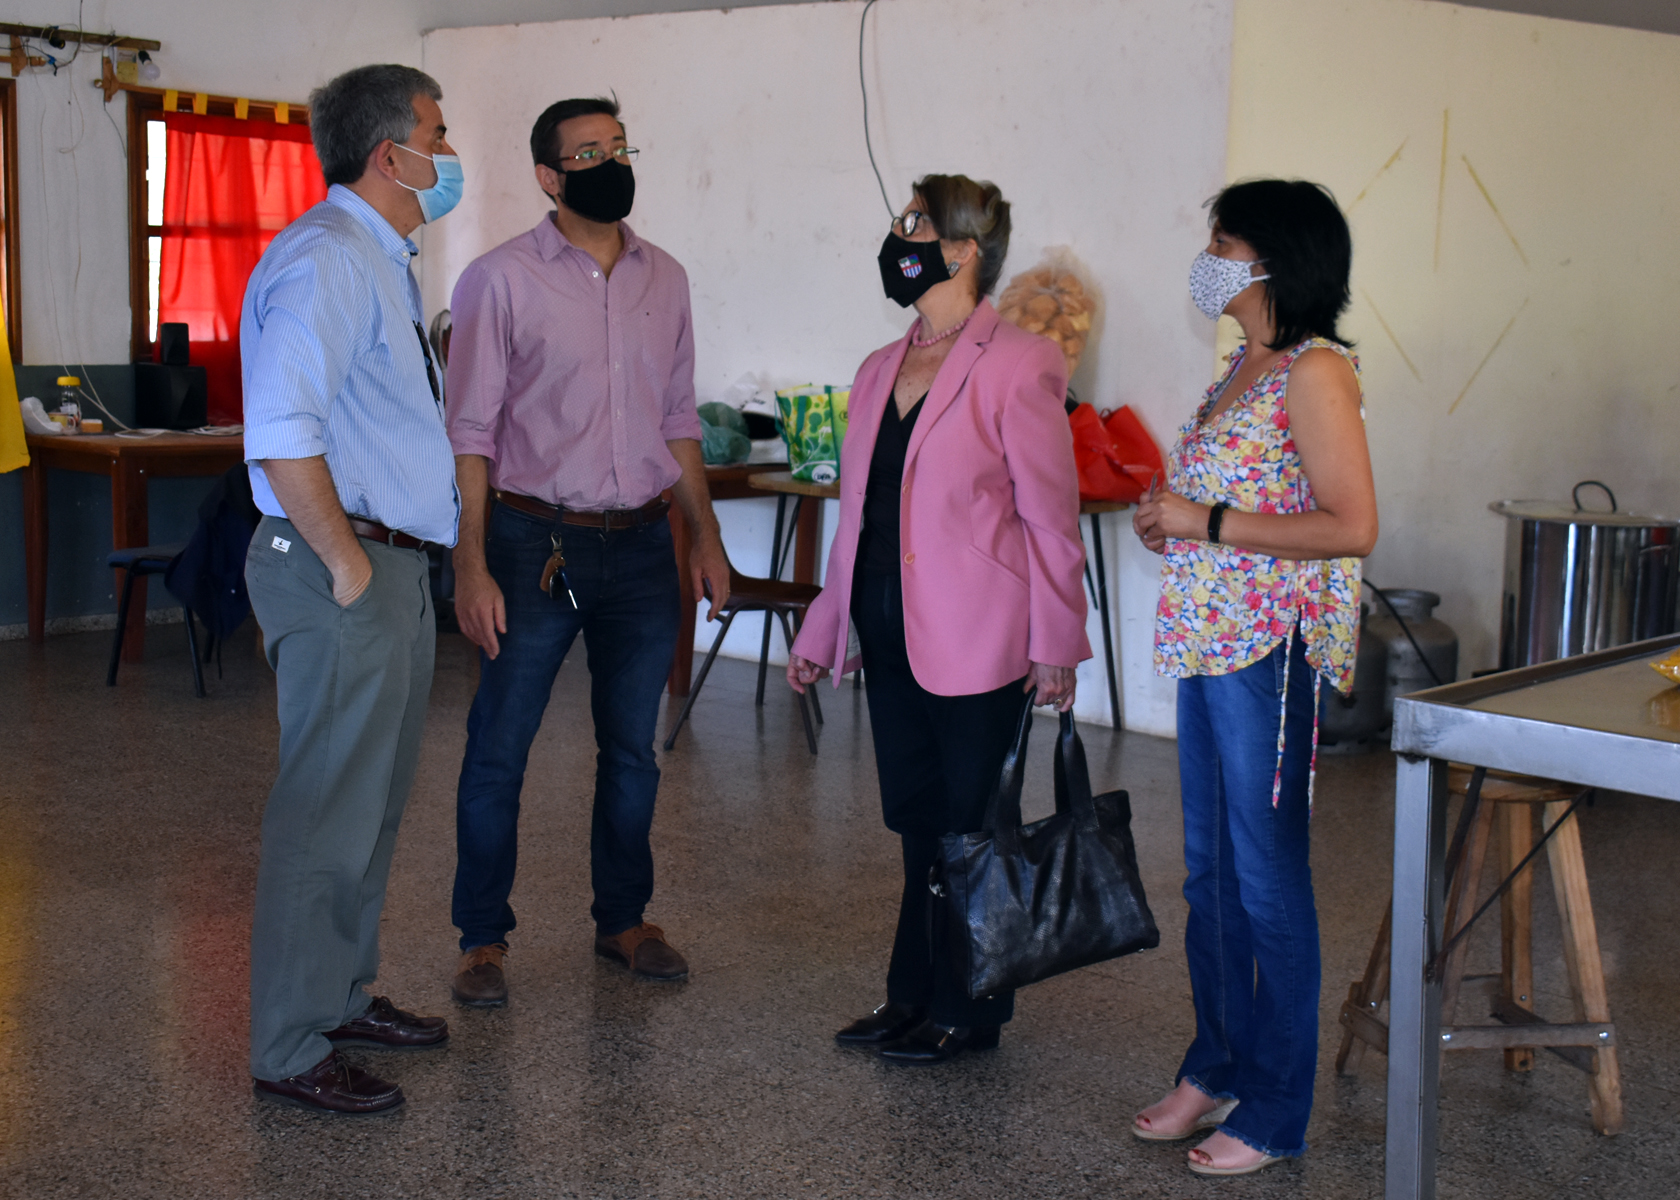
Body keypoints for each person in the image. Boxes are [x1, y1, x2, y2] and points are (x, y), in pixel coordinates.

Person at [787, 175, 1091, 1065]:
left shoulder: (1022, 362)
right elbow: (858, 518)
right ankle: (911, 992)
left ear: (962, 250)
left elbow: (1050, 517)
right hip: (889, 628)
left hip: (981, 637)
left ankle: (969, 1008)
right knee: (919, 822)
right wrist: (823, 628)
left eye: (914, 222)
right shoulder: (878, 367)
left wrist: (1057, 641)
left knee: (971, 826)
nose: (898, 236)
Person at [445, 97, 729, 1004]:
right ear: (548, 176)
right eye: (589, 152)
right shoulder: (498, 281)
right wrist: (469, 562)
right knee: (500, 746)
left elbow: (679, 418)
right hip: (534, 544)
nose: (612, 163)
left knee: (633, 750)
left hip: (642, 545)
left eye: (620, 146)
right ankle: (481, 939)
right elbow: (471, 433)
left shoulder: (666, 278)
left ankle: (624, 921)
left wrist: (706, 535)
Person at [1130, 179, 1378, 1175]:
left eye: (1223, 242)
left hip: (1268, 654)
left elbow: (1352, 524)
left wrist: (1207, 521)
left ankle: (1275, 1110)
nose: (1209, 258)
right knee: (1211, 876)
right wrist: (1172, 519)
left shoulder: (1316, 371)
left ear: (1273, 258)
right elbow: (1231, 499)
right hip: (1208, 645)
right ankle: (1218, 1066)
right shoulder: (1244, 364)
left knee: (1268, 882)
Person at [241, 64, 464, 1115]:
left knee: (369, 809)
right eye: (438, 134)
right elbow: (282, 428)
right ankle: (289, 1045)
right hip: (343, 564)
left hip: (390, 562)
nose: (449, 153)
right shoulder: (329, 256)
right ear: (391, 154)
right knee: (324, 815)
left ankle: (338, 999)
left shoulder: (381, 256)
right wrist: (347, 563)